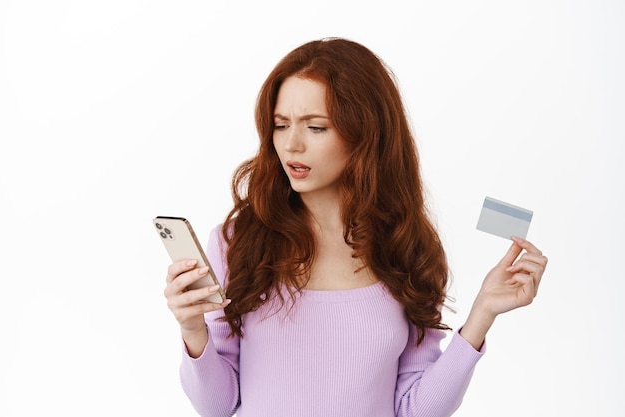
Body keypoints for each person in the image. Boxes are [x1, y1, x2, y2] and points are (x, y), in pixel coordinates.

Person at [163, 37, 548, 417]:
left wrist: (482, 314)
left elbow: (415, 409)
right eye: (281, 125)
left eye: (315, 127)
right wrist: (194, 330)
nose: (291, 145)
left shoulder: (406, 248)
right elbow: (218, 406)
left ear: (364, 132)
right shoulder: (238, 243)